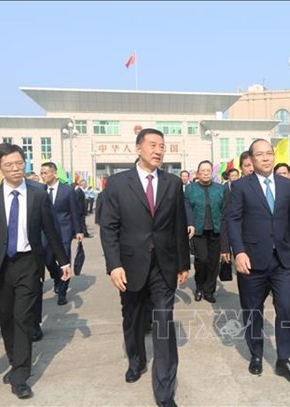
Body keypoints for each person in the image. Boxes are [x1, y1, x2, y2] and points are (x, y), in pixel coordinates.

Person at [0, 143, 71, 399]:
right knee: (5, 318)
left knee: (22, 318)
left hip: (29, 264)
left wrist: (64, 262)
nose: (16, 169)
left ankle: (20, 375)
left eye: (20, 163)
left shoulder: (38, 194)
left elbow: (51, 230)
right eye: (9, 165)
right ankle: (16, 361)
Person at [99, 128, 190, 407]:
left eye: (162, 146)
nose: (159, 150)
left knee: (163, 323)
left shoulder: (173, 183)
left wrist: (183, 263)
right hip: (129, 265)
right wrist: (114, 265)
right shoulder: (117, 183)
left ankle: (164, 390)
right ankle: (135, 360)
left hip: (164, 265)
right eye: (153, 145)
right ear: (138, 148)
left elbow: (177, 224)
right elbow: (108, 228)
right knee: (134, 318)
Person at [227, 138, 290, 384]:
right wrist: (238, 252)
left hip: (282, 259)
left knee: (285, 306)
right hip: (252, 259)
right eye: (259, 154)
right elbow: (233, 221)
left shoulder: (286, 186)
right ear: (250, 159)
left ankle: (284, 359)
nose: (266, 158)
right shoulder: (240, 187)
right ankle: (256, 354)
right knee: (253, 310)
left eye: (269, 153)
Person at [184, 160, 230, 303]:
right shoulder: (190, 188)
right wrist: (189, 223)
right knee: (202, 260)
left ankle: (209, 290)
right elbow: (187, 207)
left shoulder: (221, 189)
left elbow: (225, 211)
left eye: (208, 171)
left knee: (213, 262)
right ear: (198, 173)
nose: (205, 173)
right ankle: (199, 287)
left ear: (212, 173)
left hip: (216, 230)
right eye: (202, 171)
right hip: (198, 231)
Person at [39, 162, 83, 306]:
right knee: (47, 259)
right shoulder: (40, 190)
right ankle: (57, 277)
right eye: (41, 173)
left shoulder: (67, 190)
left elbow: (74, 212)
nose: (43, 176)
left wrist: (78, 230)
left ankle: (62, 293)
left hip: (64, 230)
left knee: (64, 261)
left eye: (45, 173)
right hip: (46, 232)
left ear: (54, 173)